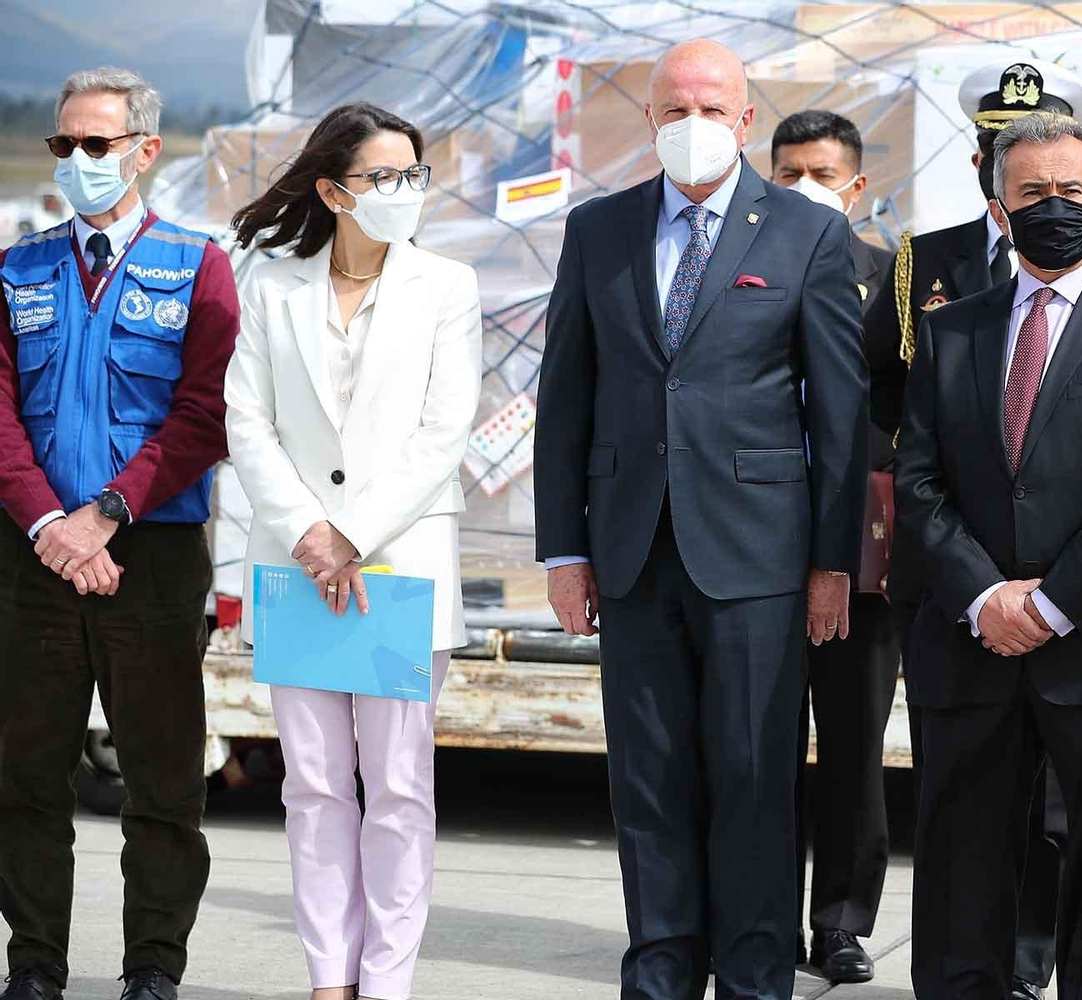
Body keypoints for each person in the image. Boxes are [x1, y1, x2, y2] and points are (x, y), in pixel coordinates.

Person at [533, 39, 868, 1000]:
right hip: (632, 553)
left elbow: (835, 412)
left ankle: (757, 973)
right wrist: (566, 549)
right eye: (675, 108)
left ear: (747, 121)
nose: (693, 124)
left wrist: (830, 563)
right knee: (648, 780)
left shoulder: (804, 231)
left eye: (713, 108)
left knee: (756, 775)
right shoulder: (598, 231)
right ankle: (662, 968)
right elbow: (566, 400)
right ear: (649, 118)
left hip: (759, 556)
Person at [858, 61, 1082, 1000]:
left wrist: (1054, 602)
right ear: (997, 203)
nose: (1054, 207)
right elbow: (915, 464)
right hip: (967, 629)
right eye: (1032, 192)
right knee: (962, 858)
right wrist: (984, 593)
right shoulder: (949, 319)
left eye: (1071, 191)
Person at [224, 102, 482, 1000]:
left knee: (400, 788)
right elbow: (246, 421)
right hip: (297, 568)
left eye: (415, 175)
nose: (405, 192)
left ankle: (387, 980)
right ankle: (328, 976)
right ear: (335, 191)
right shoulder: (269, 285)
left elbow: (443, 433)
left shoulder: (447, 286)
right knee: (315, 786)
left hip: (400, 569)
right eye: (385, 177)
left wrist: (351, 535)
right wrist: (307, 532)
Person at [0, 67, 238, 1000]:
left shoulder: (196, 264)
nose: (77, 161)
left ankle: (152, 971)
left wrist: (107, 515)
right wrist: (51, 522)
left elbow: (206, 411)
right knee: (25, 780)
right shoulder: (19, 267)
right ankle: (35, 970)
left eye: (96, 144)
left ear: (145, 151)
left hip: (155, 553)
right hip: (33, 554)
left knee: (165, 786)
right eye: (64, 145)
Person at [769, 108, 896, 984]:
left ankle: (841, 922)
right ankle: (762, 918)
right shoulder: (741, 268)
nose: (804, 189)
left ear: (856, 187)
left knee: (853, 746)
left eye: (821, 173)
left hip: (864, 551)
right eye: (787, 174)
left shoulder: (894, 280)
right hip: (759, 548)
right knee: (759, 745)